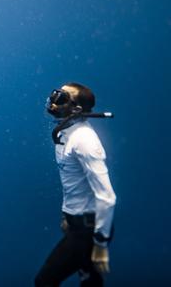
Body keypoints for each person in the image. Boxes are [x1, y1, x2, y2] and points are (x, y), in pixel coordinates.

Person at [35, 83, 117, 287]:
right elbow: (73, 182)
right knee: (90, 282)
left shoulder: (84, 140)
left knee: (44, 282)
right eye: (55, 94)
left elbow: (107, 197)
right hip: (78, 225)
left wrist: (100, 244)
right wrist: (68, 215)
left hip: (89, 231)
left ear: (77, 109)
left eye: (61, 98)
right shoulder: (66, 132)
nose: (53, 101)